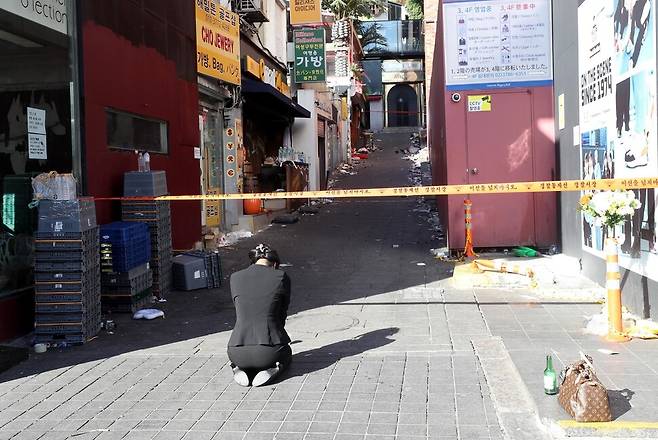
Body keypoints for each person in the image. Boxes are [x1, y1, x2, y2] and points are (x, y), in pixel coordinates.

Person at [227, 244, 292, 387]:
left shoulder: (235, 277)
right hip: (269, 352)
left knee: (242, 358)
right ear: (274, 264)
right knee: (287, 353)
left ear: (253, 261)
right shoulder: (281, 277)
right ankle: (273, 369)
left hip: (236, 351)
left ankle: (238, 368)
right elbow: (282, 313)